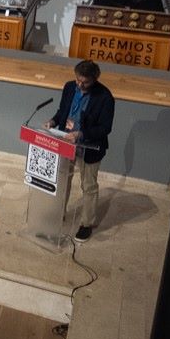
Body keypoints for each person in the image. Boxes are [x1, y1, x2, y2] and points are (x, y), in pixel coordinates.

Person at [47, 59, 113, 242]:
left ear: (94, 80)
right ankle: (59, 212)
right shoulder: (69, 87)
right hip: (66, 142)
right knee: (62, 180)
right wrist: (53, 121)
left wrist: (81, 134)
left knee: (89, 186)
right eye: (78, 80)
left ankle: (86, 224)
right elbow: (63, 111)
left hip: (88, 147)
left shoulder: (105, 97)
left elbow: (105, 128)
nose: (80, 84)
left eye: (85, 82)